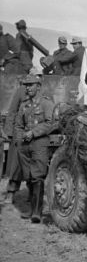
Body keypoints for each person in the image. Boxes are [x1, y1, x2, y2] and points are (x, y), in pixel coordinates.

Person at [13, 74, 55, 222]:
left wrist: (34, 132)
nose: (28, 88)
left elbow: (51, 123)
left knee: (37, 176)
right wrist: (19, 141)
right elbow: (18, 125)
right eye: (26, 85)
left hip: (39, 143)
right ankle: (31, 209)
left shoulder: (46, 104)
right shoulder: (24, 105)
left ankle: (37, 212)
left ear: (38, 86)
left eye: (31, 85)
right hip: (24, 146)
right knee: (28, 176)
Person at [1, 68, 43, 206]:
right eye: (35, 77)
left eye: (39, 77)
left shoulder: (44, 94)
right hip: (20, 134)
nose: (36, 80)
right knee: (16, 164)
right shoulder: (20, 92)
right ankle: (11, 192)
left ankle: (32, 194)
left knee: (34, 165)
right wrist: (9, 131)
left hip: (36, 135)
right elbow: (12, 111)